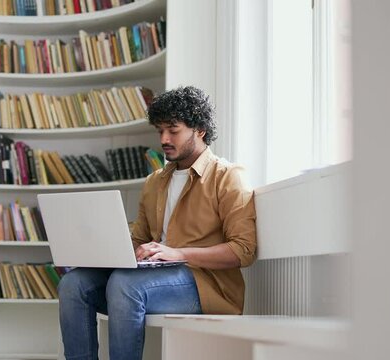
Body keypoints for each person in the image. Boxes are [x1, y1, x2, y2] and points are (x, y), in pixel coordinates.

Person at [57, 85, 257, 360]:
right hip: (147, 278)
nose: (164, 138)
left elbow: (243, 250)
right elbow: (138, 241)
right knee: (73, 283)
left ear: (199, 130)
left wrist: (178, 254)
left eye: (173, 130)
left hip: (205, 285)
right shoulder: (155, 182)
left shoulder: (227, 176)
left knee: (125, 284)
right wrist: (93, 254)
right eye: (159, 130)